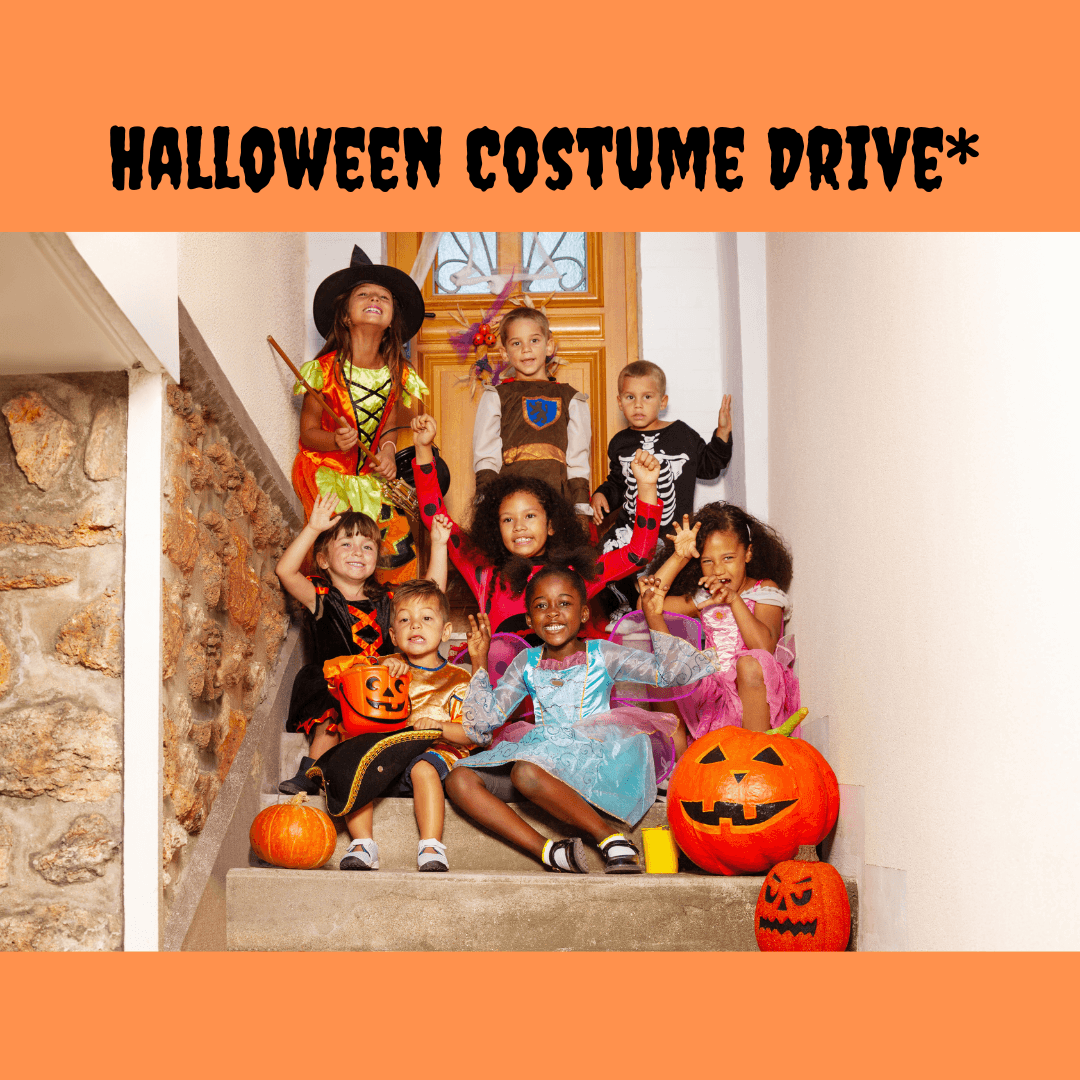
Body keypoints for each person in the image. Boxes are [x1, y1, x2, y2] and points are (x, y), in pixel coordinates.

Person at [444, 567, 722, 873]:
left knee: (525, 773)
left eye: (564, 603)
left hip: (594, 761)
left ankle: (612, 840)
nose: (552, 614)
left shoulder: (603, 654)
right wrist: (479, 659)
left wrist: (653, 616)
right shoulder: (526, 662)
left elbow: (671, 673)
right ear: (528, 620)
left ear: (585, 613)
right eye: (541, 606)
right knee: (459, 780)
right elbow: (482, 725)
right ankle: (551, 853)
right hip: (545, 761)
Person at [411, 413, 664, 639]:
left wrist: (647, 486)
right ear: (496, 530)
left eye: (530, 516)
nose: (519, 526)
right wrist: (423, 450)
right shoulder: (485, 573)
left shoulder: (578, 573)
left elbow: (639, 554)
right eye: (508, 519)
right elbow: (436, 518)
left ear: (551, 525)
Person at [291, 245, 429, 585]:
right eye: (364, 294)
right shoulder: (321, 371)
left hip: (371, 480)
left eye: (384, 297)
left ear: (393, 318)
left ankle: (394, 620)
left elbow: (390, 427)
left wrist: (387, 451)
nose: (375, 299)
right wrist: (334, 440)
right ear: (345, 315)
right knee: (339, 547)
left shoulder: (399, 374)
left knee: (395, 547)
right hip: (328, 473)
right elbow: (308, 432)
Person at [337, 578, 482, 872]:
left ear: (446, 631)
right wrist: (378, 670)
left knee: (423, 768)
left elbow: (470, 733)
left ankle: (431, 845)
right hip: (388, 754)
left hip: (437, 751)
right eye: (405, 620)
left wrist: (439, 727)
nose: (415, 626)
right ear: (393, 633)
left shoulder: (459, 679)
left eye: (426, 618)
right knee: (357, 757)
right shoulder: (385, 665)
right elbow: (342, 679)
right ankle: (363, 844)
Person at [275, 492, 399, 795]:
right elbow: (285, 571)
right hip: (332, 682)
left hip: (377, 687)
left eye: (367, 546)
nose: (358, 551)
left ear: (376, 558)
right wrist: (314, 528)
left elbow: (429, 595)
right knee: (331, 704)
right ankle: (312, 770)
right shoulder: (321, 597)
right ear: (323, 559)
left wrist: (437, 543)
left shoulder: (389, 601)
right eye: (346, 543)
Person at [591, 360, 733, 619]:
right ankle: (618, 615)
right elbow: (617, 482)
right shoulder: (620, 442)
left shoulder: (682, 434)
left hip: (671, 534)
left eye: (647, 397)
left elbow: (710, 466)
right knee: (597, 567)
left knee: (668, 581)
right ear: (619, 402)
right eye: (630, 397)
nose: (638, 405)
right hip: (630, 529)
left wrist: (722, 433)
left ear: (663, 401)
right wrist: (602, 494)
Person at [643, 503, 799, 738]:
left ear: (747, 553)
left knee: (749, 663)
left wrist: (735, 600)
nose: (717, 569)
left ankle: (754, 755)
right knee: (659, 673)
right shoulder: (705, 598)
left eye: (728, 558)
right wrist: (680, 557)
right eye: (707, 561)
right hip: (714, 698)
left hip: (756, 695)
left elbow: (763, 647)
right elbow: (647, 604)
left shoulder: (764, 590)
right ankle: (680, 762)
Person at [473, 307, 592, 512]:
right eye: (516, 343)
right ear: (504, 353)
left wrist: (580, 501)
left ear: (549, 346)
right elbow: (486, 451)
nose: (526, 349)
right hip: (510, 501)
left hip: (557, 500)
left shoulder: (572, 398)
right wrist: (487, 498)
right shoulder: (496, 396)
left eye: (534, 340)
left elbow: (578, 456)